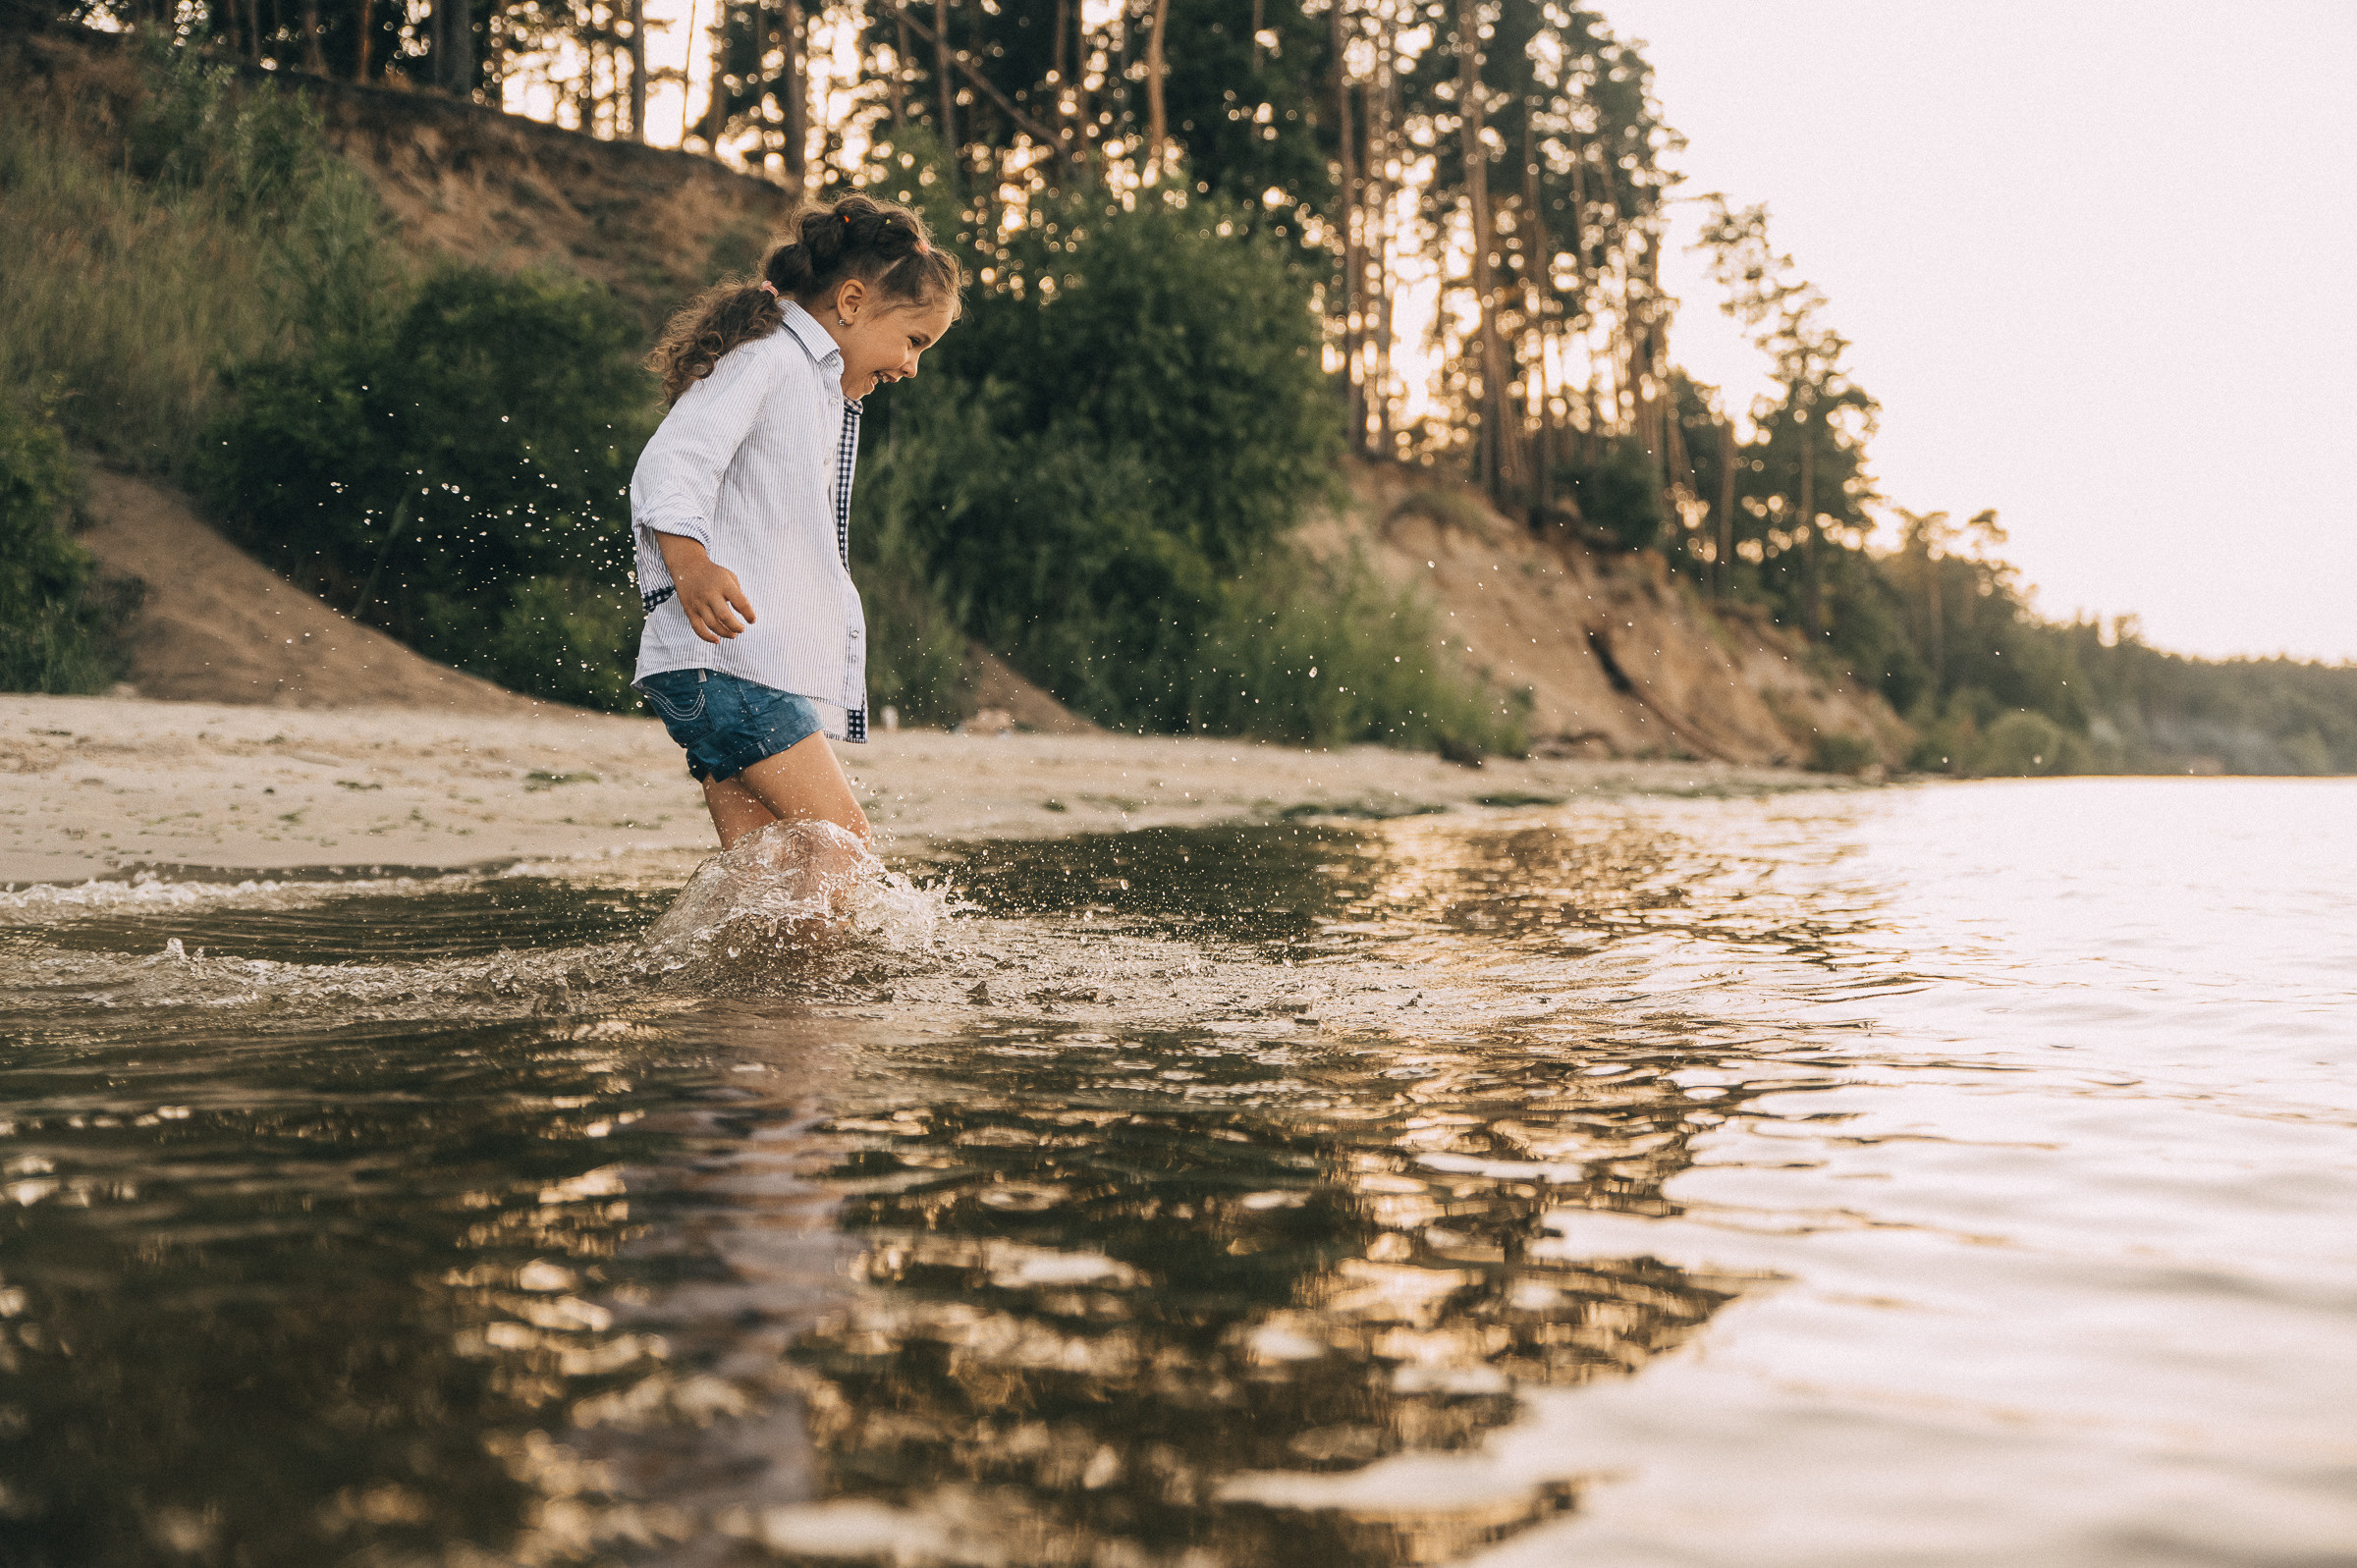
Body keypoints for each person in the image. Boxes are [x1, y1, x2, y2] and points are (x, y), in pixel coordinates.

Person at [633, 193, 961, 852]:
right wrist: (691, 565)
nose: (911, 366)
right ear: (851, 302)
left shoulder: (809, 382)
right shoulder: (771, 359)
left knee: (768, 867)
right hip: (733, 666)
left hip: (719, 670)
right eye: (913, 340)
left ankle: (728, 932)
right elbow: (672, 462)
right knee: (843, 844)